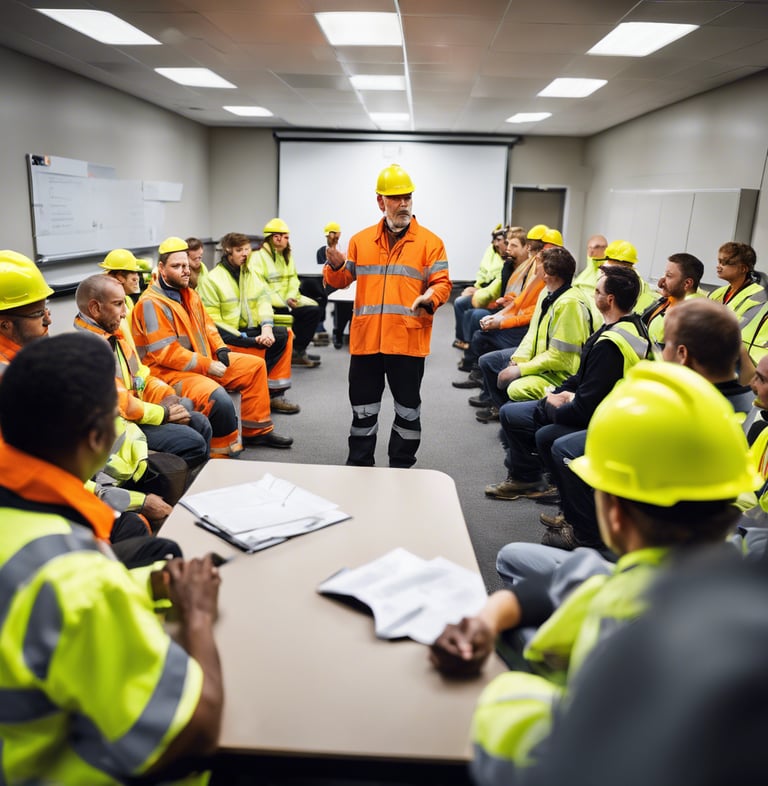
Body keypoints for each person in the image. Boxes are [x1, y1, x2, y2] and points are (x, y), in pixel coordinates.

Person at [430, 361, 760, 786]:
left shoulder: (625, 629)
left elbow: (535, 763)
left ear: (614, 512)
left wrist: (503, 695)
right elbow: (582, 580)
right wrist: (490, 615)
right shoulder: (735, 578)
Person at [0, 332, 223, 785]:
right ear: (98, 436)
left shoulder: (30, 526)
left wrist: (143, 584)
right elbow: (196, 729)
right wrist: (198, 615)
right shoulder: (79, 577)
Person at [538, 296, 752, 553]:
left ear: (682, 354)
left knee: (564, 449)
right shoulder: (743, 408)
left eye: (666, 345)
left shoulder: (675, 413)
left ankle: (585, 536)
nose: (660, 354)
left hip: (658, 542)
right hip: (711, 542)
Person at [485, 264, 650, 501]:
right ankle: (533, 478)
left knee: (522, 420)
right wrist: (558, 393)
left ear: (610, 299)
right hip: (590, 403)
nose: (593, 295)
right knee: (514, 413)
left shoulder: (610, 345)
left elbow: (586, 407)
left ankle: (533, 481)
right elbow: (581, 378)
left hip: (602, 418)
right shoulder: (624, 326)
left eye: (597, 291)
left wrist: (551, 406)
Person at [324, 163, 452, 468]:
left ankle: (402, 466)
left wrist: (430, 297)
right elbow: (340, 281)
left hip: (407, 340)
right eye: (396, 198)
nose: (404, 203)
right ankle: (359, 464)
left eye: (408, 197)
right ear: (381, 201)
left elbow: (443, 283)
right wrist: (336, 265)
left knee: (408, 410)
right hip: (367, 341)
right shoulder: (361, 240)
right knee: (363, 409)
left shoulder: (430, 242)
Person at [132, 236, 292, 457]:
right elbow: (165, 353)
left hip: (202, 361)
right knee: (219, 399)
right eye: (176, 266)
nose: (184, 271)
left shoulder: (189, 294)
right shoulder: (151, 303)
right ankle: (219, 455)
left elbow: (208, 327)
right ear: (161, 268)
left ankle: (257, 431)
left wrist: (220, 348)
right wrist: (208, 365)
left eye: (186, 265)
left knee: (255, 367)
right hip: (170, 374)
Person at [74, 274, 212, 473]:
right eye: (118, 304)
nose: (125, 312)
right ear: (95, 308)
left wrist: (167, 397)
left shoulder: (115, 339)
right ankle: (153, 482)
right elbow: (122, 405)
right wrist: (164, 413)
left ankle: (185, 482)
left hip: (134, 417)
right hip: (117, 430)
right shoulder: (88, 350)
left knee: (199, 421)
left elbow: (140, 378)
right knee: (193, 443)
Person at [472, 245, 592, 424]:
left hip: (560, 375)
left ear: (550, 274)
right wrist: (518, 359)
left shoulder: (569, 304)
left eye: (539, 265)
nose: (535, 268)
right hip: (540, 360)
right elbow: (532, 333)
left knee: (515, 388)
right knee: (488, 362)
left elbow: (561, 359)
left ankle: (517, 419)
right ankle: (505, 413)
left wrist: (521, 369)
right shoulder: (547, 292)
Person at [197, 232, 300, 415]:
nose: (245, 254)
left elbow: (263, 301)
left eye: (247, 249)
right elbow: (212, 321)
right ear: (228, 251)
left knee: (284, 334)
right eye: (239, 250)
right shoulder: (212, 280)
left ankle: (274, 394)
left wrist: (266, 328)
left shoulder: (251, 274)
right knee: (258, 344)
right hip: (226, 336)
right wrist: (245, 337)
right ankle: (254, 388)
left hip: (247, 330)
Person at [453, 226, 542, 385]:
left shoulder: (534, 271)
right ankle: (472, 362)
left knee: (478, 320)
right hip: (505, 309)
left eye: (513, 245)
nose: (508, 248)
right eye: (508, 244)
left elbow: (526, 308)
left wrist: (500, 319)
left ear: (526, 248)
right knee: (468, 311)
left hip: (516, 320)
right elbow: (513, 297)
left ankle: (474, 367)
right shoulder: (511, 266)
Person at [249, 218, 322, 367]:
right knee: (300, 314)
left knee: (314, 308)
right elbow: (260, 288)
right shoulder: (257, 258)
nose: (287, 241)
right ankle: (291, 351)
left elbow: (293, 280)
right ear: (276, 238)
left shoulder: (286, 256)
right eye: (286, 237)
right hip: (270, 304)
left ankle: (298, 350)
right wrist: (284, 303)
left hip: (287, 301)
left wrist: (290, 297)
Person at [452, 224, 507, 349]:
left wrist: (476, 292)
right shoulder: (491, 252)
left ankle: (470, 344)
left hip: (494, 299)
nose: (495, 243)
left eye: (499, 240)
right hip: (483, 291)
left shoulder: (508, 262)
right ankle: (462, 340)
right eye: (494, 240)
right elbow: (483, 273)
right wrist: (474, 288)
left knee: (475, 313)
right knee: (460, 302)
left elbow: (496, 287)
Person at [0, 249, 53, 377]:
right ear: (5, 325)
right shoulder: (9, 378)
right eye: (38, 313)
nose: (48, 320)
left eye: (46, 309)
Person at [641, 251, 704, 354]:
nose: (662, 281)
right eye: (664, 275)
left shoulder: (693, 315)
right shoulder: (669, 301)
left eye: (669, 276)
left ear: (687, 283)